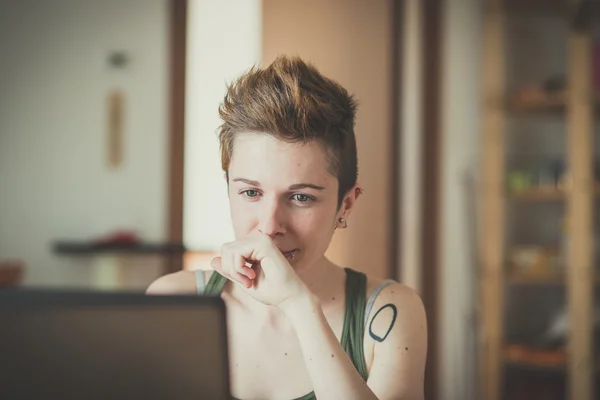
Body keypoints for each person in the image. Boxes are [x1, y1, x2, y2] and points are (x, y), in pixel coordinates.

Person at [147, 56, 427, 400]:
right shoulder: (175, 302)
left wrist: (298, 304)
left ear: (346, 204)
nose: (269, 227)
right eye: (251, 192)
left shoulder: (389, 312)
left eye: (301, 197)